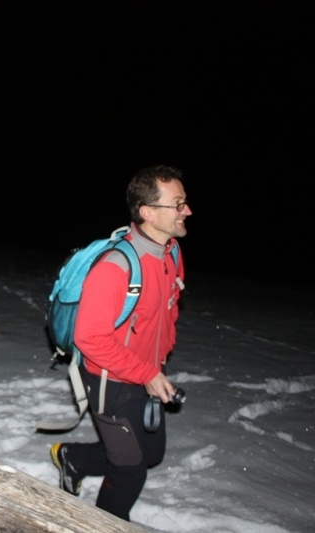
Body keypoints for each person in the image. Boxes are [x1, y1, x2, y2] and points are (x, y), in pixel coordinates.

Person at [50, 164, 191, 522]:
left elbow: (169, 309)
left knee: (151, 454)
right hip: (109, 381)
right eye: (177, 204)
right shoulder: (115, 267)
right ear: (148, 212)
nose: (187, 210)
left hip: (147, 374)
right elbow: (89, 338)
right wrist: (146, 373)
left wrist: (159, 360)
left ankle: (73, 458)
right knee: (129, 471)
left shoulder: (171, 253)